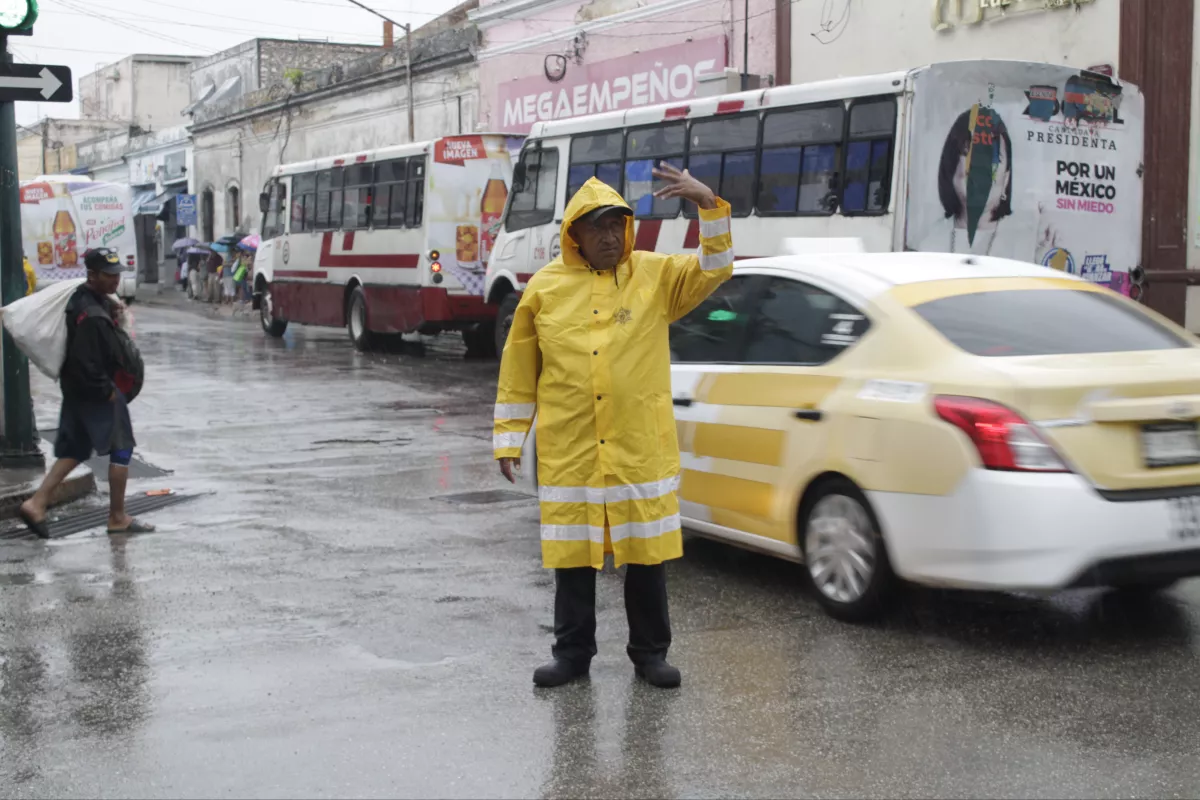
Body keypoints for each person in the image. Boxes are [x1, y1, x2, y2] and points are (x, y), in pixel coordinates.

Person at [494, 164, 733, 689]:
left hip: (636, 450)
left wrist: (708, 204)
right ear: (574, 234)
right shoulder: (545, 290)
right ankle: (571, 655)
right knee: (573, 560)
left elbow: (715, 268)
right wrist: (509, 438)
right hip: (573, 449)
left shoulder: (654, 276)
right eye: (596, 227)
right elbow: (519, 369)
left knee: (646, 557)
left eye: (616, 225)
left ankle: (651, 654)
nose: (608, 236)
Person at [18, 248, 155, 539]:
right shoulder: (91, 314)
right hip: (95, 390)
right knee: (121, 448)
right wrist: (107, 392)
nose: (115, 280)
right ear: (92, 275)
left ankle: (36, 503)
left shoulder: (85, 299)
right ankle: (117, 517)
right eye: (108, 275)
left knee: (76, 449)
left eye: (117, 274)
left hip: (76, 388)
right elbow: (86, 359)